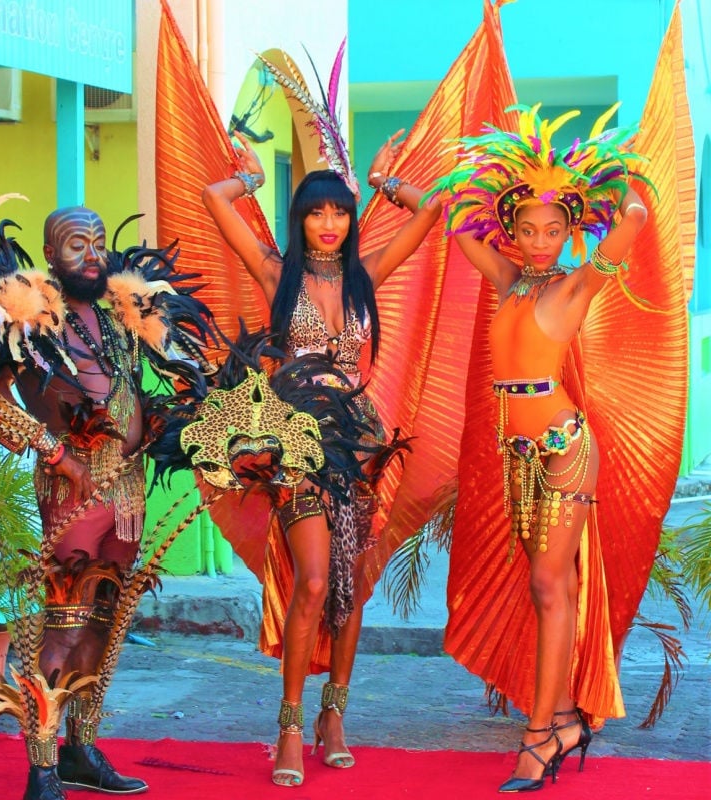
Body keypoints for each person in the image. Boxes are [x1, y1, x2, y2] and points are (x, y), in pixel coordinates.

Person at [0, 199, 212, 800]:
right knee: (62, 628)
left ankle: (81, 748)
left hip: (128, 492)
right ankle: (43, 767)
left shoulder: (122, 316)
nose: (93, 255)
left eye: (99, 243)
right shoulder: (29, 317)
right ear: (52, 254)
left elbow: (144, 383)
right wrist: (56, 453)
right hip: (71, 494)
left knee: (106, 624)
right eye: (78, 244)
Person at [201, 126, 441, 787]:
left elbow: (435, 211)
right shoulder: (278, 273)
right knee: (311, 582)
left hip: (361, 447)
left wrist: (388, 181)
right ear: (299, 218)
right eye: (316, 211)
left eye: (339, 211)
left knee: (350, 586)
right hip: (296, 445)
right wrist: (248, 177)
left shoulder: (367, 275)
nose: (329, 223)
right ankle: (288, 722)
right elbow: (211, 199)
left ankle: (334, 717)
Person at [430, 104, 650, 792]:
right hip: (516, 456)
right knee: (548, 590)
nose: (539, 241)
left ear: (570, 232)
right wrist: (434, 185)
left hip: (562, 448)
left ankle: (540, 736)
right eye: (527, 229)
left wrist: (604, 180)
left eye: (554, 229)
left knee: (550, 588)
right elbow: (454, 223)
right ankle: (561, 718)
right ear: (512, 231)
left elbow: (635, 218)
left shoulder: (573, 286)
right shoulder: (510, 283)